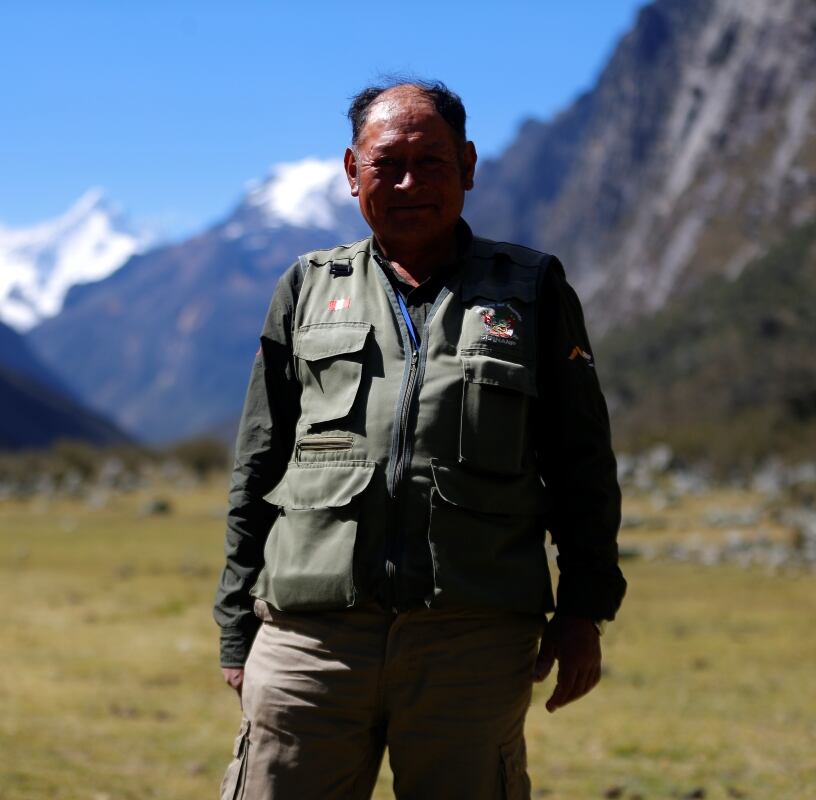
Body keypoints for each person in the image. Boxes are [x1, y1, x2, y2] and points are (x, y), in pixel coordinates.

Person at [212, 79, 627, 800]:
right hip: (311, 640)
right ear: (351, 172)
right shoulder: (306, 288)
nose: (409, 183)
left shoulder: (532, 289)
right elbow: (258, 463)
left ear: (467, 166)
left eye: (431, 162)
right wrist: (235, 624)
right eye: (386, 164)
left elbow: (582, 463)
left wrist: (584, 609)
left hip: (471, 639)